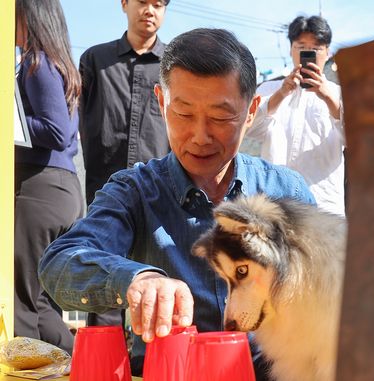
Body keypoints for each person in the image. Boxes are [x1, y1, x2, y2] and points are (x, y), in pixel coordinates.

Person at [39, 28, 316, 379]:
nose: (200, 136)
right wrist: (137, 279)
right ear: (161, 102)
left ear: (251, 111)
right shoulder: (135, 190)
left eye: (220, 117)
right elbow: (60, 264)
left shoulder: (285, 191)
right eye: (183, 114)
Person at [79, 0, 170, 327]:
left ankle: (152, 368)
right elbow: (78, 122)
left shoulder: (176, 66)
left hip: (161, 191)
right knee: (104, 278)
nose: (150, 10)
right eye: (143, 2)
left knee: (160, 284)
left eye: (159, 4)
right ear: (124, 4)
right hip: (106, 191)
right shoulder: (94, 60)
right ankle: (104, 368)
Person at [14, 0, 83, 354]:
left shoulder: (36, 62)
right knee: (42, 304)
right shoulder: (61, 64)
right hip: (64, 190)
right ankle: (81, 366)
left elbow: (54, 130)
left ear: (29, 15)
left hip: (38, 189)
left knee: (19, 300)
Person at [247, 15, 345, 216]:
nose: (308, 52)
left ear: (328, 52)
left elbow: (357, 140)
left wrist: (329, 98)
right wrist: (281, 94)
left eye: (316, 48)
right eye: (301, 47)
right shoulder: (269, 89)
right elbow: (247, 128)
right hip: (276, 205)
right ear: (291, 49)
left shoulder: (341, 93)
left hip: (323, 205)